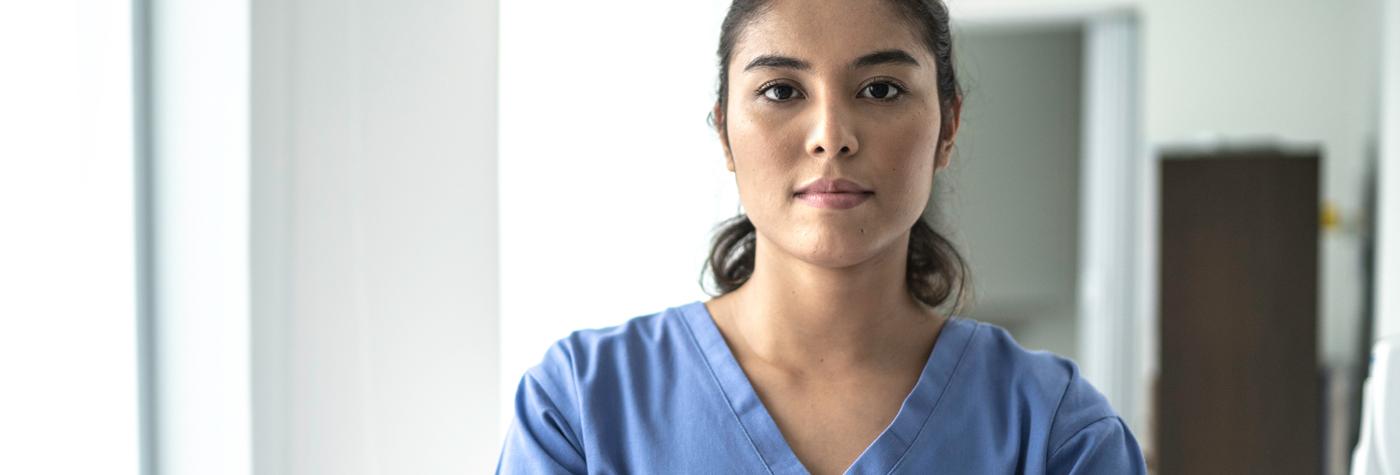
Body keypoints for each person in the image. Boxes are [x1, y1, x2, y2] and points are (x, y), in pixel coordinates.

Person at [497, 0, 1148, 473]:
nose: (831, 134)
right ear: (724, 130)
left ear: (948, 126)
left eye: (881, 88)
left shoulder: (1055, 432)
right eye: (782, 90)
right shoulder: (581, 408)